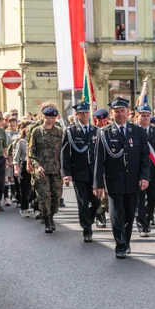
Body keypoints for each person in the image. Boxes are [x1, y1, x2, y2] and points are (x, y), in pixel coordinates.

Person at [94, 97, 152, 259]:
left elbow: (144, 157)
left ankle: (126, 240)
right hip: (114, 180)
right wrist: (98, 183)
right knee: (116, 213)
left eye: (122, 111)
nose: (120, 114)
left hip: (133, 180)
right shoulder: (104, 133)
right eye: (116, 112)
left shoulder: (138, 131)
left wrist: (144, 177)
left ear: (128, 113)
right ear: (112, 114)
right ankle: (120, 244)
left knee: (129, 213)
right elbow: (99, 160)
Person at [61, 102, 99, 242]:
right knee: (83, 202)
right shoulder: (71, 132)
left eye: (86, 112)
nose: (84, 115)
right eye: (81, 113)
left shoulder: (96, 131)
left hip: (94, 172)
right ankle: (87, 228)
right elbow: (65, 154)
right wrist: (66, 173)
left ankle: (89, 219)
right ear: (76, 115)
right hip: (79, 172)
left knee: (96, 201)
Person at [27, 105, 64, 233]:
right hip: (41, 170)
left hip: (55, 169)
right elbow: (32, 152)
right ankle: (47, 220)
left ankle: (51, 215)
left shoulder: (59, 132)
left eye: (54, 118)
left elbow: (63, 152)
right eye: (49, 118)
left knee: (56, 196)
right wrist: (36, 166)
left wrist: (64, 169)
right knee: (44, 196)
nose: (52, 120)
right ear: (43, 117)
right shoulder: (36, 132)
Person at [135, 104, 155, 238]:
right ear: (138, 117)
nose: (146, 118)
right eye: (143, 116)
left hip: (154, 171)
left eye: (148, 116)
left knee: (153, 199)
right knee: (139, 200)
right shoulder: (134, 131)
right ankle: (141, 224)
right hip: (138, 172)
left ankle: (147, 220)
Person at [92, 108, 111, 228]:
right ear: (96, 120)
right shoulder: (92, 131)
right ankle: (99, 214)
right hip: (94, 166)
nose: (103, 123)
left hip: (109, 166)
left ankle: (105, 209)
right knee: (97, 192)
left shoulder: (110, 131)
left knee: (108, 194)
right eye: (100, 120)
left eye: (105, 120)